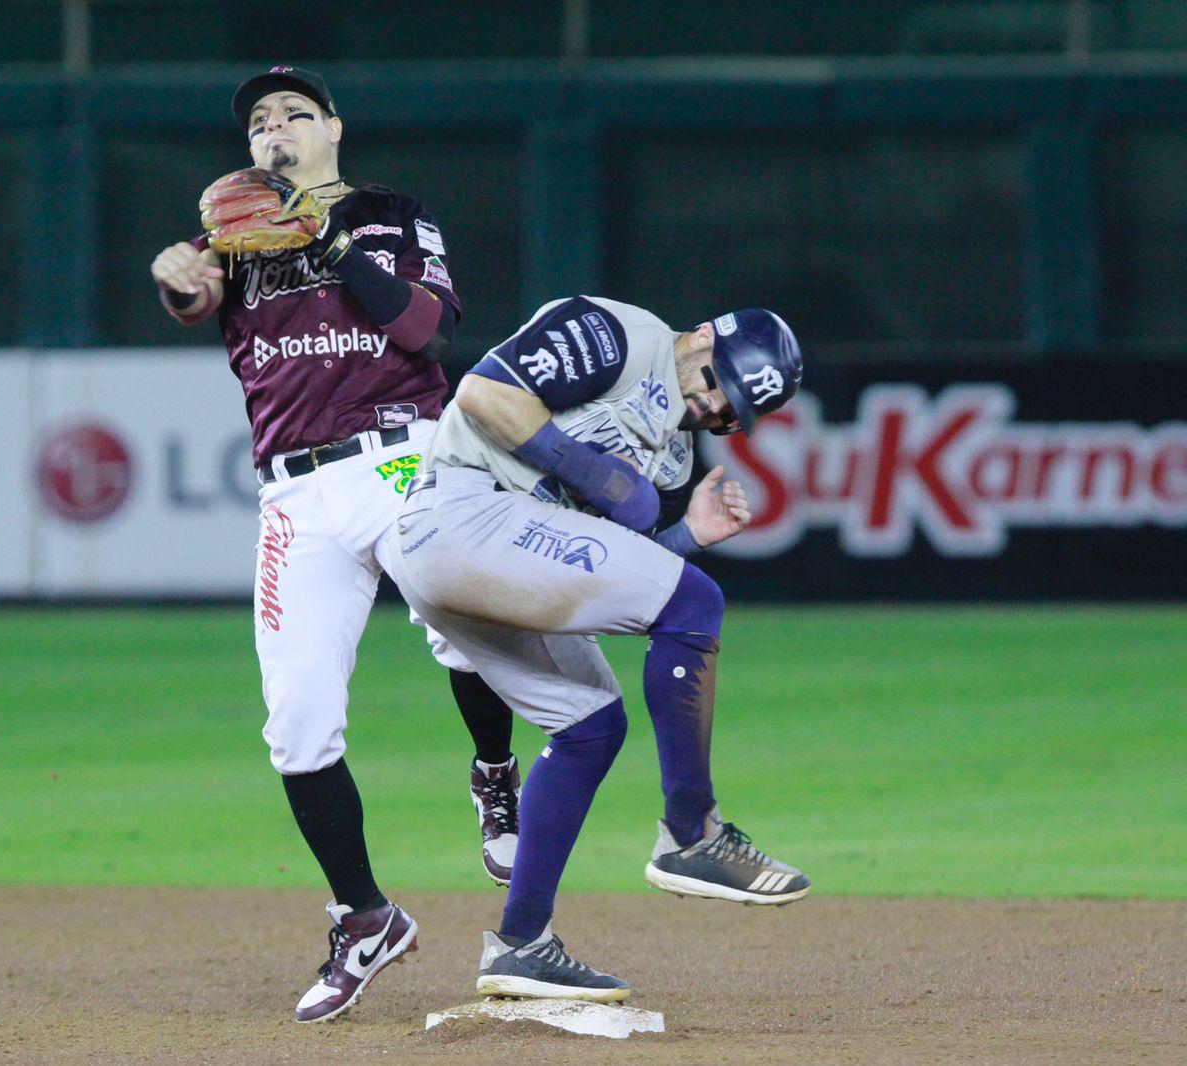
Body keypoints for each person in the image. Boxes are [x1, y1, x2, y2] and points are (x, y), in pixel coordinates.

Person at [148, 66, 521, 1023]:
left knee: (458, 621)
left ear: (333, 131)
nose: (273, 130)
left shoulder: (393, 213)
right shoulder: (229, 231)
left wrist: (327, 238)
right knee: (297, 724)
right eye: (260, 121)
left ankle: (493, 774)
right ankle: (366, 917)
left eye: (293, 116)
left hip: (404, 458)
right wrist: (175, 275)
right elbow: (192, 299)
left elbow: (431, 332)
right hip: (296, 498)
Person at [394, 297, 810, 1000]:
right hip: (459, 515)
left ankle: (521, 943)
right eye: (717, 380)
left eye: (730, 410)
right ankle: (692, 834)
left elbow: (598, 568)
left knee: (591, 726)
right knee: (698, 602)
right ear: (704, 334)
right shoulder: (617, 335)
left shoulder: (674, 458)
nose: (712, 406)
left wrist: (688, 540)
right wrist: (599, 474)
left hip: (489, 556)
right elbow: (483, 393)